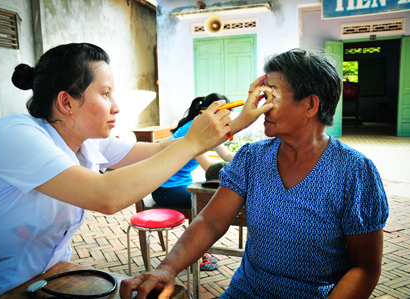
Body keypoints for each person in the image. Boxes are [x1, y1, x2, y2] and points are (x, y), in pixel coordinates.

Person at [0, 43, 273, 299]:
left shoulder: (87, 143)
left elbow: (162, 151)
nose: (116, 106)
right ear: (67, 102)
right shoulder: (15, 134)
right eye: (105, 93)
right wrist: (192, 141)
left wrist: (239, 120)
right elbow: (106, 196)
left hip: (48, 279)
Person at [120, 48, 389, 299]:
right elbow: (211, 222)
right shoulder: (253, 157)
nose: (259, 104)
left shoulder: (354, 172)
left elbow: (365, 269)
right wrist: (167, 268)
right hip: (245, 291)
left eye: (270, 94)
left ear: (310, 105)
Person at [152, 93, 235, 271]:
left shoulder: (207, 127)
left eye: (230, 113)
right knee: (205, 203)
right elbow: (209, 169)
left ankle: (195, 252)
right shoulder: (195, 131)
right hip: (166, 189)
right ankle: (195, 254)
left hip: (179, 185)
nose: (229, 118)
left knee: (204, 200)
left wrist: (250, 158)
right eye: (225, 113)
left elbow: (226, 156)